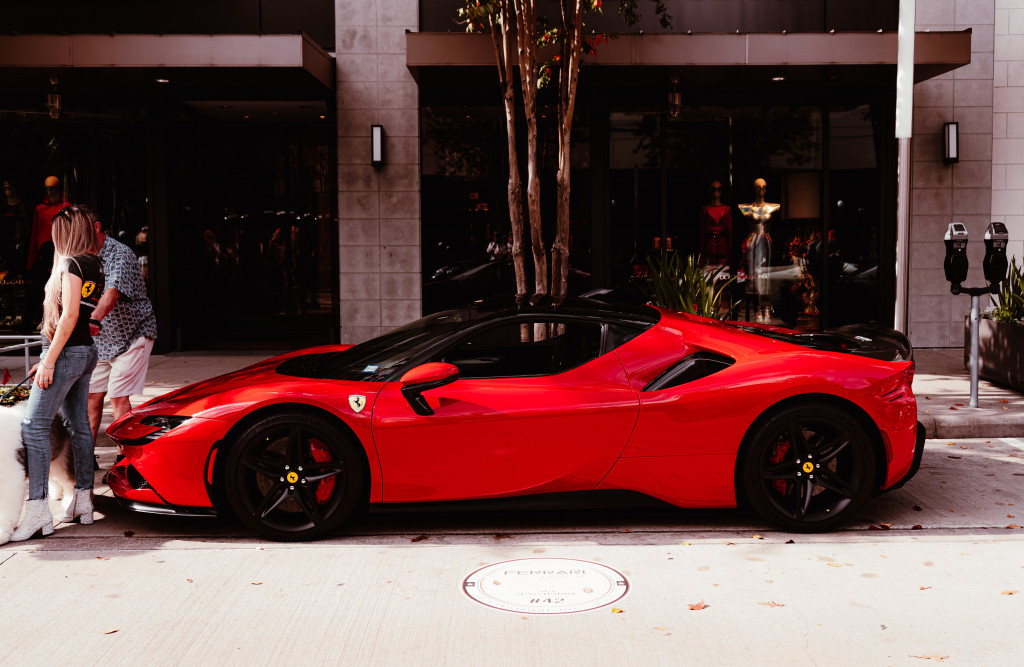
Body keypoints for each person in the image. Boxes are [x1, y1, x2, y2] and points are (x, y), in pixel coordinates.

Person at [11, 206, 103, 541]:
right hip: (83, 352)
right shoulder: (94, 264)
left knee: (33, 427)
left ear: (65, 233)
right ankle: (82, 500)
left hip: (66, 355)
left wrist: (49, 360)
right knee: (78, 426)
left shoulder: (70, 264)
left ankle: (38, 512)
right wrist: (47, 357)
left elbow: (69, 316)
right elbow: (81, 319)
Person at [81, 207, 158, 443]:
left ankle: (123, 457)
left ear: (96, 227)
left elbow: (113, 292)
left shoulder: (119, 253)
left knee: (118, 396)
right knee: (91, 397)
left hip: (133, 333)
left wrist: (94, 318)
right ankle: (85, 457)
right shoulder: (79, 256)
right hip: (100, 339)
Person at [739, 178, 781, 323]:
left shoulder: (772, 207)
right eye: (758, 187)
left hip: (766, 242)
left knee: (766, 275)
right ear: (754, 189)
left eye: (763, 187)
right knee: (754, 275)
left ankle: (766, 307)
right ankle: (757, 308)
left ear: (766, 188)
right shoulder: (747, 208)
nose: (761, 190)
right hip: (753, 242)